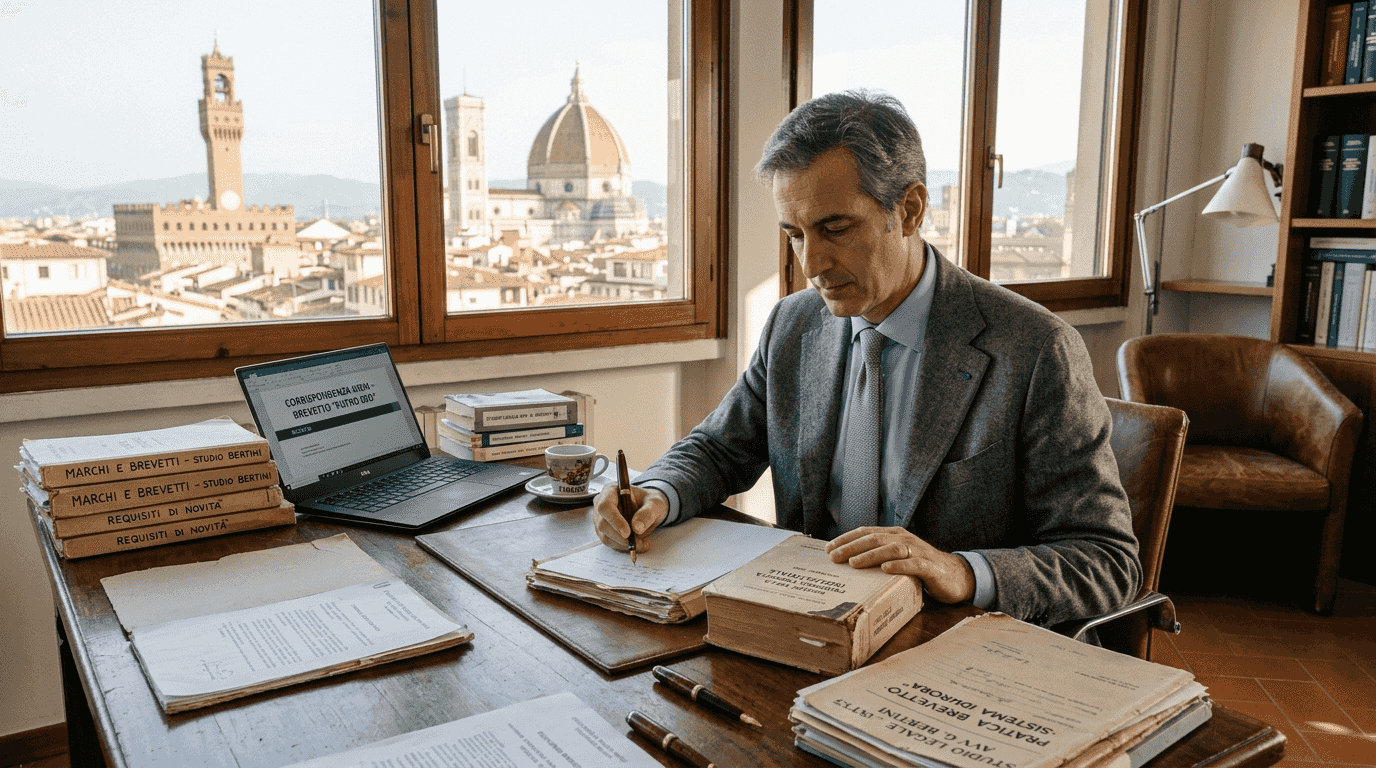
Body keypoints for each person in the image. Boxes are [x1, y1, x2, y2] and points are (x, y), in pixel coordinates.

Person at [592, 90, 1140, 628]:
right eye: (794, 235)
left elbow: (1108, 563)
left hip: (946, 644)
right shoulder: (793, 325)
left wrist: (960, 571)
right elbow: (718, 449)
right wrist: (657, 493)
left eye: (835, 229)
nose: (812, 263)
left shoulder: (1036, 349)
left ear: (908, 210)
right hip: (808, 627)